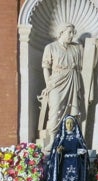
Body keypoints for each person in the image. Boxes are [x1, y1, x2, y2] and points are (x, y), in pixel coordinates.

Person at [39, 23, 85, 154]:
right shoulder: (51, 47)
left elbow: (83, 66)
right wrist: (49, 84)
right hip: (57, 82)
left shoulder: (76, 48)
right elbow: (45, 67)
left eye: (73, 32)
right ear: (61, 32)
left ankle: (71, 140)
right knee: (55, 110)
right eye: (69, 32)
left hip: (73, 80)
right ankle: (53, 140)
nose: (72, 35)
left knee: (72, 111)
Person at [43, 115, 96, 181]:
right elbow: (54, 154)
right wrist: (58, 152)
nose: (69, 125)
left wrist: (82, 153)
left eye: (71, 123)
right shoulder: (60, 138)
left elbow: (85, 155)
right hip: (63, 168)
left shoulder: (78, 139)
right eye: (67, 123)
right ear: (64, 124)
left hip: (76, 167)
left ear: (75, 125)